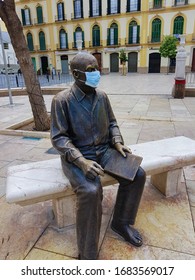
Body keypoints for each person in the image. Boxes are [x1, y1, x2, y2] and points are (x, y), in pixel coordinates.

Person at [50, 52, 146, 260]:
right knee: (92, 190)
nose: (97, 74)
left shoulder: (101, 96)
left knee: (137, 174)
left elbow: (112, 123)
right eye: (92, 70)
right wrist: (82, 162)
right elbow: (59, 139)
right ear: (76, 74)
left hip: (104, 151)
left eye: (97, 68)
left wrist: (118, 142)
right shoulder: (62, 101)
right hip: (77, 157)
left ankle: (121, 222)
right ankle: (87, 252)